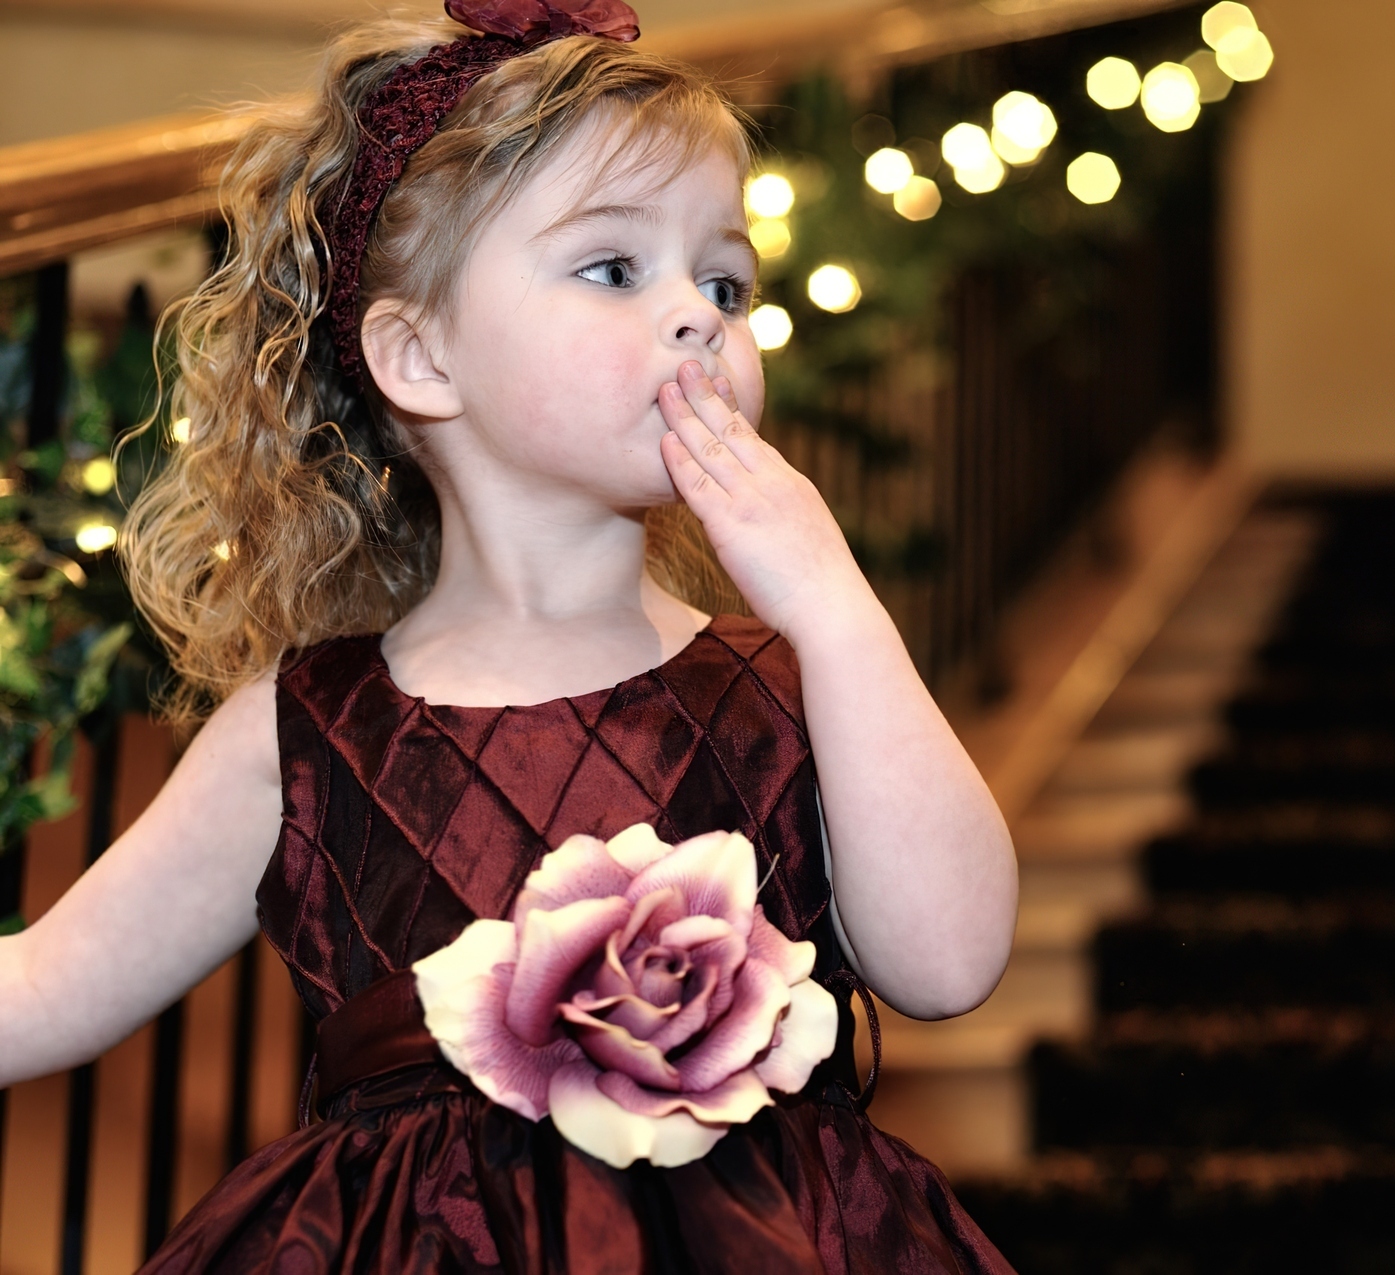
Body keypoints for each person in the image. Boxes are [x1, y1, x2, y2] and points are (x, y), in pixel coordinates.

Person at [0, 1, 1020, 1270]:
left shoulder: (795, 682)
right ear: (422, 358)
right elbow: (36, 993)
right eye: (614, 268)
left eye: (724, 282)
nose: (700, 316)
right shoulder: (308, 733)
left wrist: (836, 606)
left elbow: (948, 963)